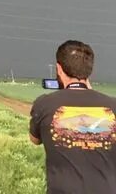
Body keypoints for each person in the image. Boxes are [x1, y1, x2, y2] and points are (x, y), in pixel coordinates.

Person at [30, 40, 116, 193]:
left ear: (59, 68)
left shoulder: (44, 104)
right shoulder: (113, 106)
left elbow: (35, 140)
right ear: (89, 71)